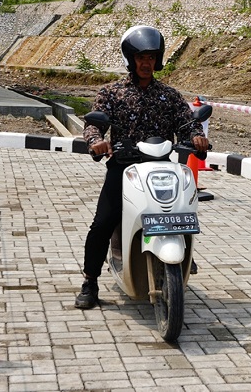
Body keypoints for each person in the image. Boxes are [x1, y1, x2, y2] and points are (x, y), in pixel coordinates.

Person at [75, 25, 209, 309]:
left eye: (151, 57)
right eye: (140, 58)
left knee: (183, 208)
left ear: (158, 60)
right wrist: (96, 140)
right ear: (131, 60)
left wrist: (196, 137)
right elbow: (94, 124)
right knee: (102, 223)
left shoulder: (170, 95)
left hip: (162, 168)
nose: (146, 63)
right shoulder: (112, 93)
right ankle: (90, 280)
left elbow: (187, 123)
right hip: (124, 168)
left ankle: (182, 252)